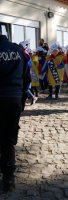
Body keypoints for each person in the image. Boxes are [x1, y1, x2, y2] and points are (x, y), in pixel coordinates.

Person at [0, 24, 31, 192]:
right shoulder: (18, 50)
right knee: (9, 140)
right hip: (13, 99)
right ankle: (9, 178)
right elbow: (27, 77)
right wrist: (22, 98)